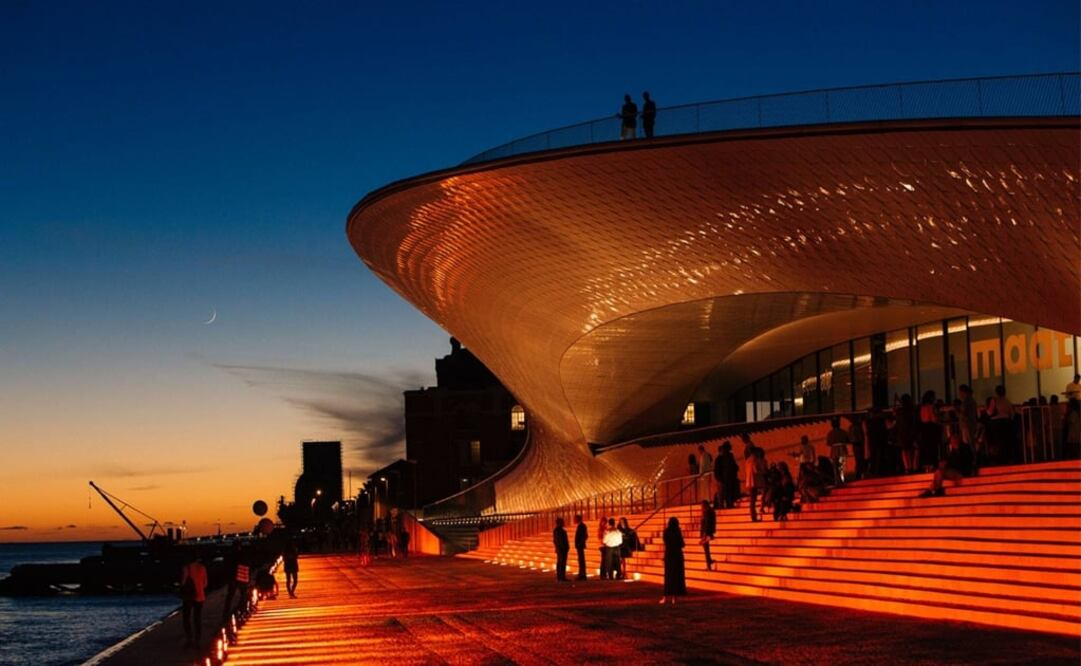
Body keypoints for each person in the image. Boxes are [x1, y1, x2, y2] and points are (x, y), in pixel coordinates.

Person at [918, 433, 974, 498]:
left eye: (952, 441)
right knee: (938, 472)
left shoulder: (964, 448)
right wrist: (944, 464)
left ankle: (934, 490)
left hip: (961, 471)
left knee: (940, 472)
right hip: (954, 470)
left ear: (957, 440)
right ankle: (933, 489)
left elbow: (962, 462)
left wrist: (948, 464)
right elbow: (950, 462)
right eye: (951, 442)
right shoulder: (954, 450)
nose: (952, 443)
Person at [179, 553, 208, 648]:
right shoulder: (203, 568)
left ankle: (189, 639)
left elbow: (183, 582)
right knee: (197, 618)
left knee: (186, 618)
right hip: (200, 596)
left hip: (189, 597)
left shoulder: (186, 568)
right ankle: (198, 640)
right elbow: (205, 584)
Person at [660, 517, 686, 604]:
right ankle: (674, 597)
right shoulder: (677, 532)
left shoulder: (666, 532)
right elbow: (682, 544)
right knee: (676, 576)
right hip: (677, 555)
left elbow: (665, 542)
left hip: (669, 555)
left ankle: (665, 597)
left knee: (668, 576)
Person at [918, 391, 943, 471]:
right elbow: (934, 419)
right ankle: (932, 465)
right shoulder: (931, 407)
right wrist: (938, 416)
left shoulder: (922, 407)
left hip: (924, 428)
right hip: (931, 428)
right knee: (932, 447)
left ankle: (926, 465)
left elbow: (922, 418)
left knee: (926, 448)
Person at [745, 447, 767, 522]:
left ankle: (753, 517)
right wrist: (764, 471)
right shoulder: (755, 460)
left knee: (752, 501)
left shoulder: (748, 460)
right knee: (753, 501)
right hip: (755, 482)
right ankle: (754, 517)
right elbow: (756, 470)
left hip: (749, 482)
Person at [826, 416, 851, 485]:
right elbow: (848, 440)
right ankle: (842, 480)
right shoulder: (843, 431)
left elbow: (828, 443)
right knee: (841, 466)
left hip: (834, 451)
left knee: (835, 466)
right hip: (842, 449)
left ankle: (837, 481)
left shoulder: (830, 433)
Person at [717, 440, 740, 509]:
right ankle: (724, 504)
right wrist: (719, 478)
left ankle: (728, 503)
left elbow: (733, 465)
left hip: (728, 478)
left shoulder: (728, 456)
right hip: (725, 478)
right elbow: (718, 469)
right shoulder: (721, 458)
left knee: (728, 492)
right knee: (724, 492)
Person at [699, 500, 716, 570]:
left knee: (706, 548)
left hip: (705, 533)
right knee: (706, 548)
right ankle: (709, 561)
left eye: (702, 506)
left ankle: (709, 564)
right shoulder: (709, 511)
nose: (701, 507)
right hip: (706, 533)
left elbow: (707, 524)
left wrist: (705, 534)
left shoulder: (707, 512)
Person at [848, 414, 866, 480]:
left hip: (855, 444)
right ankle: (860, 473)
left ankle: (859, 474)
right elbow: (860, 437)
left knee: (858, 460)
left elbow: (850, 437)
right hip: (859, 444)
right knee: (860, 459)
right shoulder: (858, 427)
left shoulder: (851, 427)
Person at [552, 517, 570, 581]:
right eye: (562, 522)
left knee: (560, 562)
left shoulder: (556, 530)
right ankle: (561, 576)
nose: (563, 523)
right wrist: (564, 547)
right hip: (562, 549)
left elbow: (555, 540)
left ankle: (560, 576)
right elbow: (560, 540)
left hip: (560, 549)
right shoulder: (560, 531)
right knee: (562, 563)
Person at [573, 514, 588, 580]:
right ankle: (581, 574)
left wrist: (579, 543)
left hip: (580, 545)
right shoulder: (581, 526)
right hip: (580, 545)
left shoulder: (582, 526)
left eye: (575, 519)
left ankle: (582, 575)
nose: (574, 520)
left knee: (581, 560)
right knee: (580, 560)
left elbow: (584, 536)